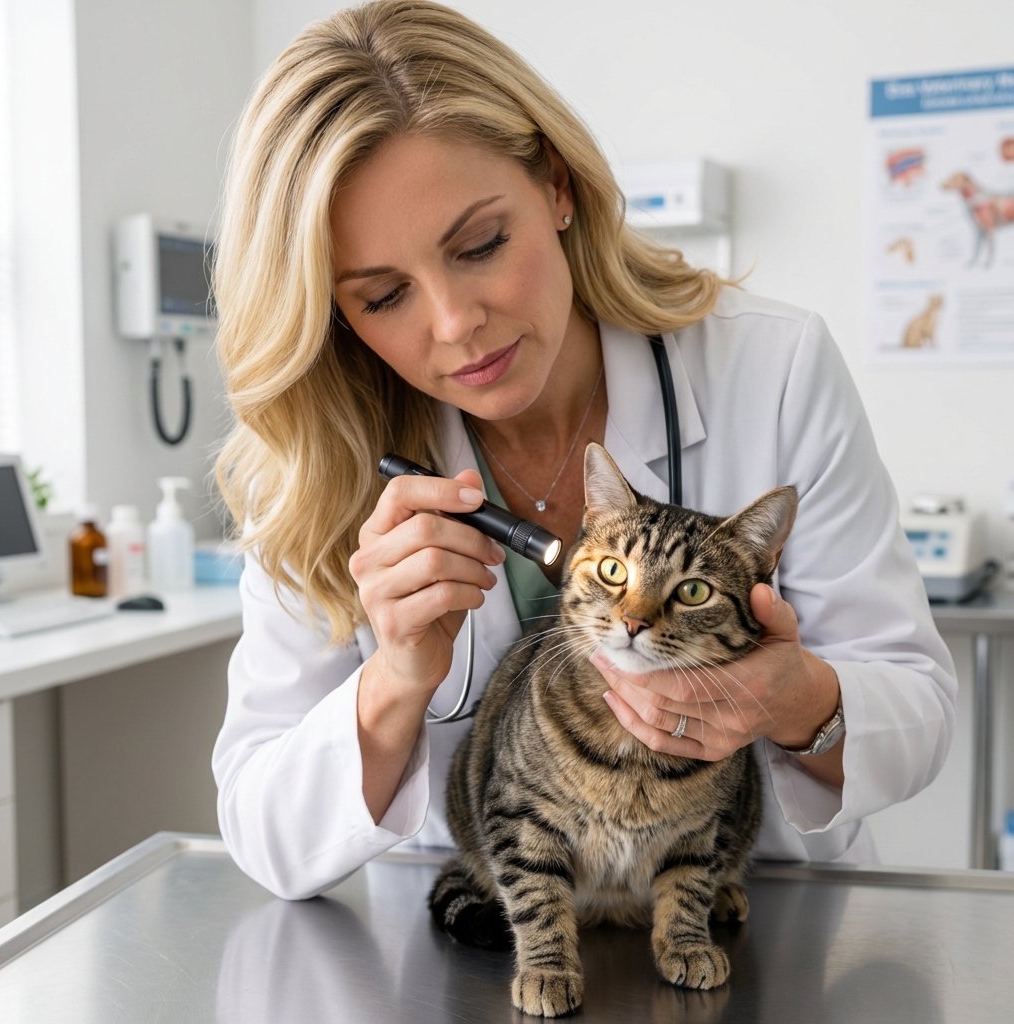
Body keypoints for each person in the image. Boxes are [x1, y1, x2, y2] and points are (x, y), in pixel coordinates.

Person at [211, 0, 956, 900]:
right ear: (332, 314)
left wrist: (799, 702)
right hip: (477, 942)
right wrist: (398, 677)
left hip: (755, 924)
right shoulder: (318, 460)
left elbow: (919, 711)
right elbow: (264, 836)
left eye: (481, 245)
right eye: (382, 296)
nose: (456, 325)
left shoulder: (771, 365)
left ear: (557, 186)